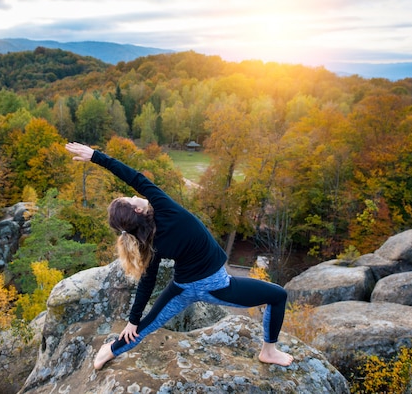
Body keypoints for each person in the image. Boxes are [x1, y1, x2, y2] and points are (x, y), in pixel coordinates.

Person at [65, 142, 294, 370]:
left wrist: (133, 319)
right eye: (131, 198)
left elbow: (148, 281)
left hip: (183, 288)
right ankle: (269, 351)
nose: (135, 196)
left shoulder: (147, 242)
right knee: (278, 296)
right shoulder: (165, 209)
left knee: (144, 326)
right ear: (137, 210)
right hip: (216, 286)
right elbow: (134, 177)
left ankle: (110, 350)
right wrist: (96, 156)